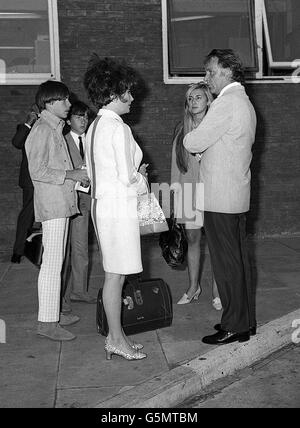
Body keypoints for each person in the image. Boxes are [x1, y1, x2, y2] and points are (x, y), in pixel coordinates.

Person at [184, 49, 257, 345]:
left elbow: (193, 140)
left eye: (210, 72)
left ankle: (233, 325)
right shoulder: (244, 102)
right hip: (235, 196)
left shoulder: (226, 103)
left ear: (227, 71)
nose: (206, 78)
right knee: (237, 263)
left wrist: (197, 142)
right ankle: (243, 322)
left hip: (220, 199)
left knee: (227, 265)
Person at [84, 56, 148, 361]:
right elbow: (127, 176)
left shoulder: (93, 126)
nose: (132, 97)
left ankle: (117, 336)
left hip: (102, 206)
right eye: (128, 92)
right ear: (113, 93)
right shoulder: (118, 127)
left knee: (115, 275)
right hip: (118, 209)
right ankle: (115, 338)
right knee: (115, 276)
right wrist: (143, 181)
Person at [25, 80, 89, 342]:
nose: (69, 104)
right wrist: (71, 174)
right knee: (51, 265)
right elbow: (37, 172)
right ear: (49, 103)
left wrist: (75, 179)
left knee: (56, 261)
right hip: (52, 206)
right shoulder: (42, 130)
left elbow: (54, 168)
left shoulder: (54, 129)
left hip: (61, 203)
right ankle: (47, 323)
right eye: (63, 100)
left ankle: (54, 313)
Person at [171, 83, 222, 311]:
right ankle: (193, 287)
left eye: (198, 97)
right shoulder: (182, 128)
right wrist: (175, 192)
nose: (193, 102)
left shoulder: (217, 127)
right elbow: (176, 163)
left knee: (215, 243)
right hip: (188, 190)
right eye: (190, 98)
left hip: (212, 191)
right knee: (192, 239)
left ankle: (217, 290)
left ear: (208, 101)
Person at [61, 101, 96, 314]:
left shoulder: (92, 141)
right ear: (68, 120)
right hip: (72, 201)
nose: (83, 121)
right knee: (69, 250)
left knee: (84, 248)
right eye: (78, 117)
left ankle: (79, 291)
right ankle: (63, 297)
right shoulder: (62, 142)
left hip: (94, 199)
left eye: (85, 117)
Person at [11, 104, 40, 263]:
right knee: (27, 216)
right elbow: (17, 142)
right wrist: (29, 122)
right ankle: (18, 251)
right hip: (30, 180)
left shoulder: (55, 125)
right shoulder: (24, 128)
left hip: (49, 178)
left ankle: (41, 251)